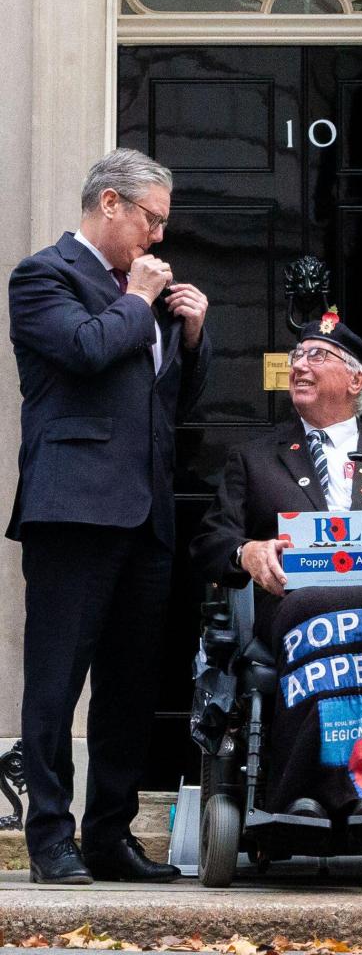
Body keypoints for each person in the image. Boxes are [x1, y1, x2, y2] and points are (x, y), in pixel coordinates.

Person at [7, 148, 211, 884]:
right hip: (74, 509)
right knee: (57, 682)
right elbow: (88, 351)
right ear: (112, 205)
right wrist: (138, 302)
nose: (157, 238)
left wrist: (190, 335)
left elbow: (172, 408)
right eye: (151, 220)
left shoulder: (145, 291)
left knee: (130, 685)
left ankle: (110, 837)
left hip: (147, 512)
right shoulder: (43, 277)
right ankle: (51, 841)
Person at [189, 313, 362, 816]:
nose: (300, 366)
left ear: (356, 380)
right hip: (291, 607)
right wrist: (246, 552)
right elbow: (211, 541)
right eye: (297, 357)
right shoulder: (254, 460)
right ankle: (311, 791)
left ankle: (359, 790)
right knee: (324, 614)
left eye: (318, 356)